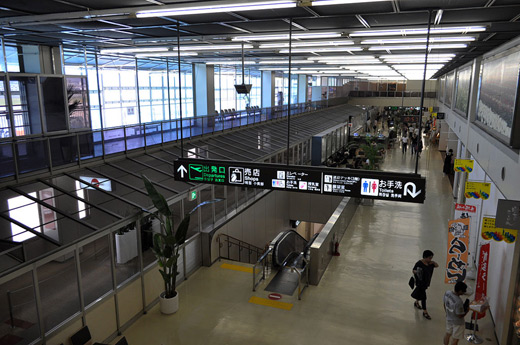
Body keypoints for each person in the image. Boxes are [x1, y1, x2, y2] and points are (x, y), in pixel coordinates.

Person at [411, 250, 439, 320]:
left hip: (426, 282)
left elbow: (437, 265)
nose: (430, 259)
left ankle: (416, 302)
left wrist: (433, 262)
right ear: (425, 257)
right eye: (429, 258)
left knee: (420, 293)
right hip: (420, 282)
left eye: (431, 258)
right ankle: (425, 311)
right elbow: (413, 270)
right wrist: (417, 272)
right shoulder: (419, 263)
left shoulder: (430, 263)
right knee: (424, 297)